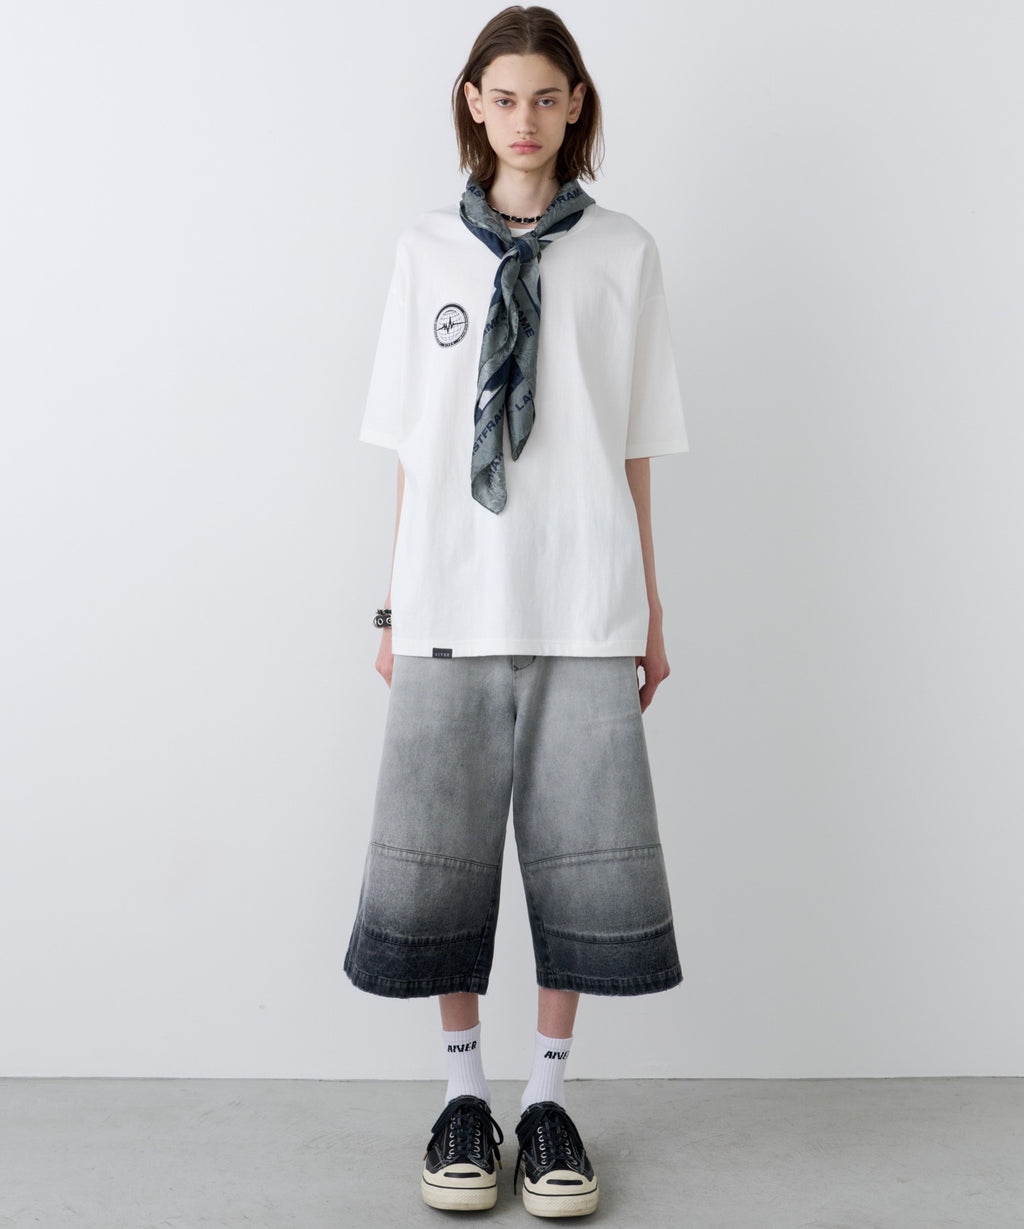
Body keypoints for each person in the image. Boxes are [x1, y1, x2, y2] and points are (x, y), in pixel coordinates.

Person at [345, 5, 689, 1217]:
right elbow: (413, 447)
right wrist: (392, 606)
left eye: (547, 97)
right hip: (449, 598)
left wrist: (649, 608)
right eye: (505, 97)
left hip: (583, 603)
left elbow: (633, 445)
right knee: (438, 865)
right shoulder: (425, 250)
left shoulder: (625, 253)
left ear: (574, 104)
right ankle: (463, 1093)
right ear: (473, 103)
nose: (525, 119)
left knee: (578, 866)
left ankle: (546, 1097)